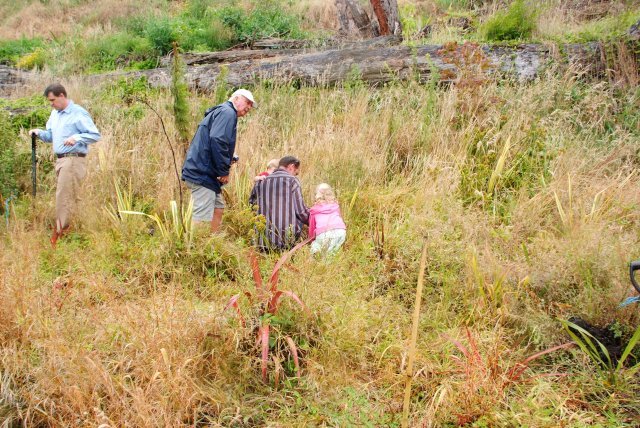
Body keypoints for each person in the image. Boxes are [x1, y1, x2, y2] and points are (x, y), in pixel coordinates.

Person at [29, 83, 101, 247]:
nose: (51, 104)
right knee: (69, 195)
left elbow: (95, 135)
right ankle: (71, 228)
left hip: (73, 159)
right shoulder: (55, 114)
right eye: (50, 101)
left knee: (64, 196)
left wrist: (77, 138)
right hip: (61, 160)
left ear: (62, 95)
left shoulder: (78, 113)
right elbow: (50, 136)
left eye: (53, 100)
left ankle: (60, 232)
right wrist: (39, 133)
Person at [182, 88, 256, 232]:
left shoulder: (222, 112)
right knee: (202, 216)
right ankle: (196, 248)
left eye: (251, 105)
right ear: (236, 99)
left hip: (204, 171)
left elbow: (214, 139)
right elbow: (217, 139)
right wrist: (223, 171)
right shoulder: (228, 113)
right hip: (202, 173)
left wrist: (229, 157)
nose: (249, 107)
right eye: (247, 102)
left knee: (218, 207)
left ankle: (212, 241)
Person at [249, 156, 309, 251]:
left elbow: (251, 206)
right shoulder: (292, 181)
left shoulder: (260, 182)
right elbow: (301, 212)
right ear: (291, 166)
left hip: (262, 241)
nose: (295, 175)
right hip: (286, 242)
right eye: (295, 172)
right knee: (299, 218)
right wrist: (314, 220)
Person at [309, 183, 347, 256]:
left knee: (315, 245)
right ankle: (332, 263)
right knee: (333, 252)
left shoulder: (314, 210)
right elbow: (339, 218)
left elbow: (312, 227)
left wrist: (311, 239)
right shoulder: (335, 206)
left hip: (323, 234)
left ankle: (315, 262)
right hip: (341, 231)